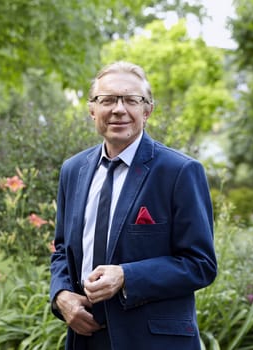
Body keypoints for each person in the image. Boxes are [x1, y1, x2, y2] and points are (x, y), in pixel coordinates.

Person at [50, 61, 217, 350]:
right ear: (92, 110)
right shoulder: (72, 170)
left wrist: (127, 276)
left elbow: (200, 263)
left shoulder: (179, 171)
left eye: (131, 100)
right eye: (108, 100)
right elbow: (63, 249)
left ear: (147, 110)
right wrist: (61, 295)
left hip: (153, 340)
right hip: (86, 336)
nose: (118, 109)